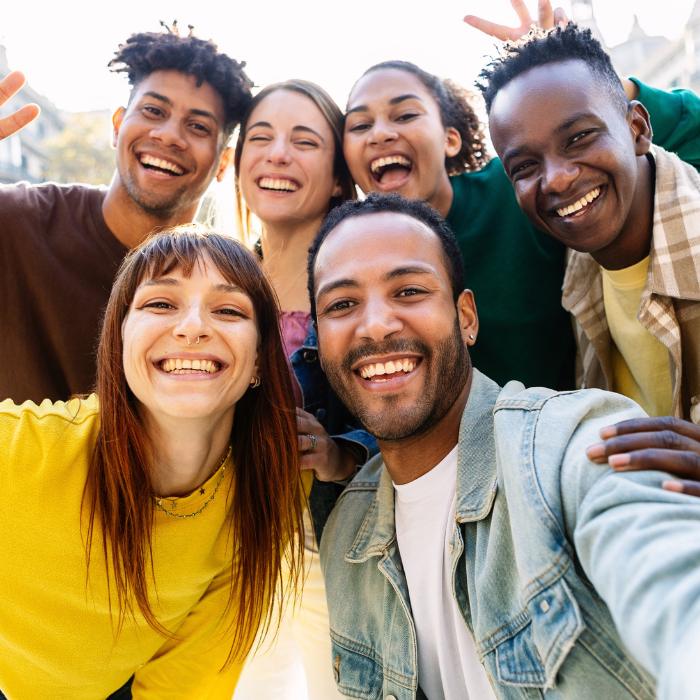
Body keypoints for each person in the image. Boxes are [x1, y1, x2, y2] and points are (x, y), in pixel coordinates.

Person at [308, 193, 700, 699]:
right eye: (342, 304)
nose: (377, 323)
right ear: (318, 340)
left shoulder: (565, 442)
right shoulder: (344, 538)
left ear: (466, 317)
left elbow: (668, 573)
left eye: (408, 291)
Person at [0, 227, 308, 698]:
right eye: (161, 304)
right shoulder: (20, 449)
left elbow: (187, 681)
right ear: (119, 340)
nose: (192, 327)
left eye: (228, 310)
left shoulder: (269, 484)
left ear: (262, 361)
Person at [341, 2, 700, 390]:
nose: (380, 134)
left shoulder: (516, 188)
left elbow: (670, 136)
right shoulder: (350, 254)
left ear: (450, 138)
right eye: (360, 124)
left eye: (405, 115)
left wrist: (567, 74)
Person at [0, 28, 252, 403]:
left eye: (198, 126)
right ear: (118, 125)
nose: (169, 136)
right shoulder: (16, 223)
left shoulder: (233, 289)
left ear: (223, 163)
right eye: (153, 111)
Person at [480, 23, 700, 425]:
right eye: (525, 166)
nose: (558, 179)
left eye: (579, 137)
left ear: (638, 128)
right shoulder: (575, 274)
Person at [231, 80, 373, 700]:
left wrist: (342, 453)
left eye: (304, 141)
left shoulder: (359, 288)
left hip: (329, 553)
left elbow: (419, 408)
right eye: (259, 138)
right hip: (223, 556)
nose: (276, 154)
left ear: (339, 177)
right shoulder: (213, 282)